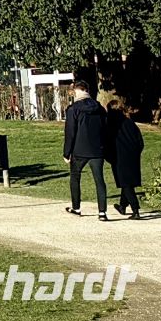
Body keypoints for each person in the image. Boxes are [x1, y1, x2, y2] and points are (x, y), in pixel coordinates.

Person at [64, 80, 109, 219]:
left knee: (75, 177)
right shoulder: (99, 108)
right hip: (97, 149)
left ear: (77, 91)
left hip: (79, 149)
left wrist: (67, 152)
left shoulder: (73, 109)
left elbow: (70, 132)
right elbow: (105, 128)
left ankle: (76, 207)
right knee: (99, 179)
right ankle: (102, 212)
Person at [105, 98, 145, 220]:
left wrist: (109, 157)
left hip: (119, 157)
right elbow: (140, 142)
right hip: (133, 156)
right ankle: (122, 206)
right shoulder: (130, 123)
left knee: (126, 184)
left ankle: (135, 209)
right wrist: (136, 153)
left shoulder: (111, 125)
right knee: (127, 182)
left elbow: (108, 143)